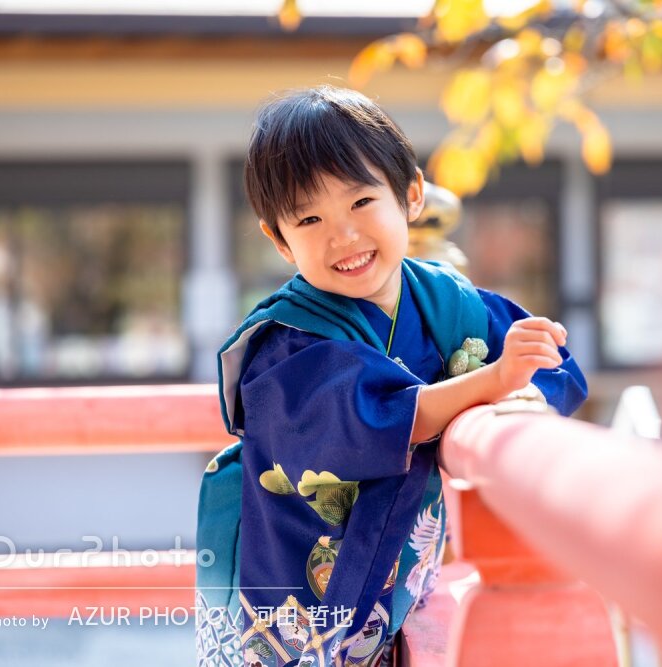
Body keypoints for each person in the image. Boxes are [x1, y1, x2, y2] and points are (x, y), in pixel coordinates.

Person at [196, 85, 587, 667]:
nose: (343, 235)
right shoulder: (287, 341)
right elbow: (379, 418)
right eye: (309, 218)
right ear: (279, 239)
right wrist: (492, 381)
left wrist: (525, 386)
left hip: (398, 596)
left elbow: (551, 370)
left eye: (360, 202)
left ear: (410, 194)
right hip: (293, 606)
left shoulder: (446, 302)